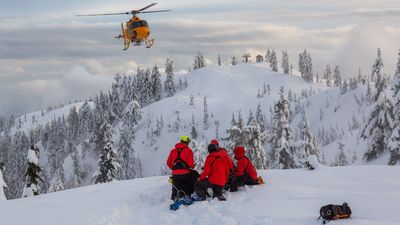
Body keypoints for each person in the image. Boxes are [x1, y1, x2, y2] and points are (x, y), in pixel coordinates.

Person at [166, 135, 198, 201]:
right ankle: (188, 193)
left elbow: (168, 163)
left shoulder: (173, 151)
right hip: (185, 174)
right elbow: (190, 165)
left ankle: (174, 196)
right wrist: (193, 166)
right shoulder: (189, 151)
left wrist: (174, 169)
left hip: (175, 174)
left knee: (176, 184)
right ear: (187, 142)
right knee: (194, 176)